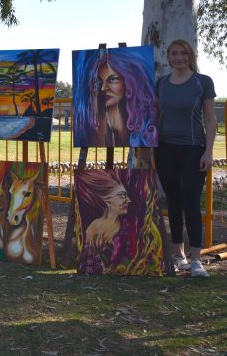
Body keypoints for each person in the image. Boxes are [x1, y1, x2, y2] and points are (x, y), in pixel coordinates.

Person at [155, 39, 216, 278]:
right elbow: (155, 115)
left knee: (191, 201)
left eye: (183, 53)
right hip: (165, 149)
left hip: (194, 149)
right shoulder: (161, 83)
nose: (178, 58)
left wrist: (208, 151)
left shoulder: (202, 82)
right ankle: (178, 254)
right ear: (168, 58)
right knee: (173, 201)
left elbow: (211, 119)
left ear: (189, 56)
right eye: (174, 54)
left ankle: (196, 260)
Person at [74, 49, 157, 147]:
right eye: (99, 81)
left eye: (112, 79)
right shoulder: (93, 128)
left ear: (130, 83)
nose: (103, 88)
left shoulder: (143, 128)